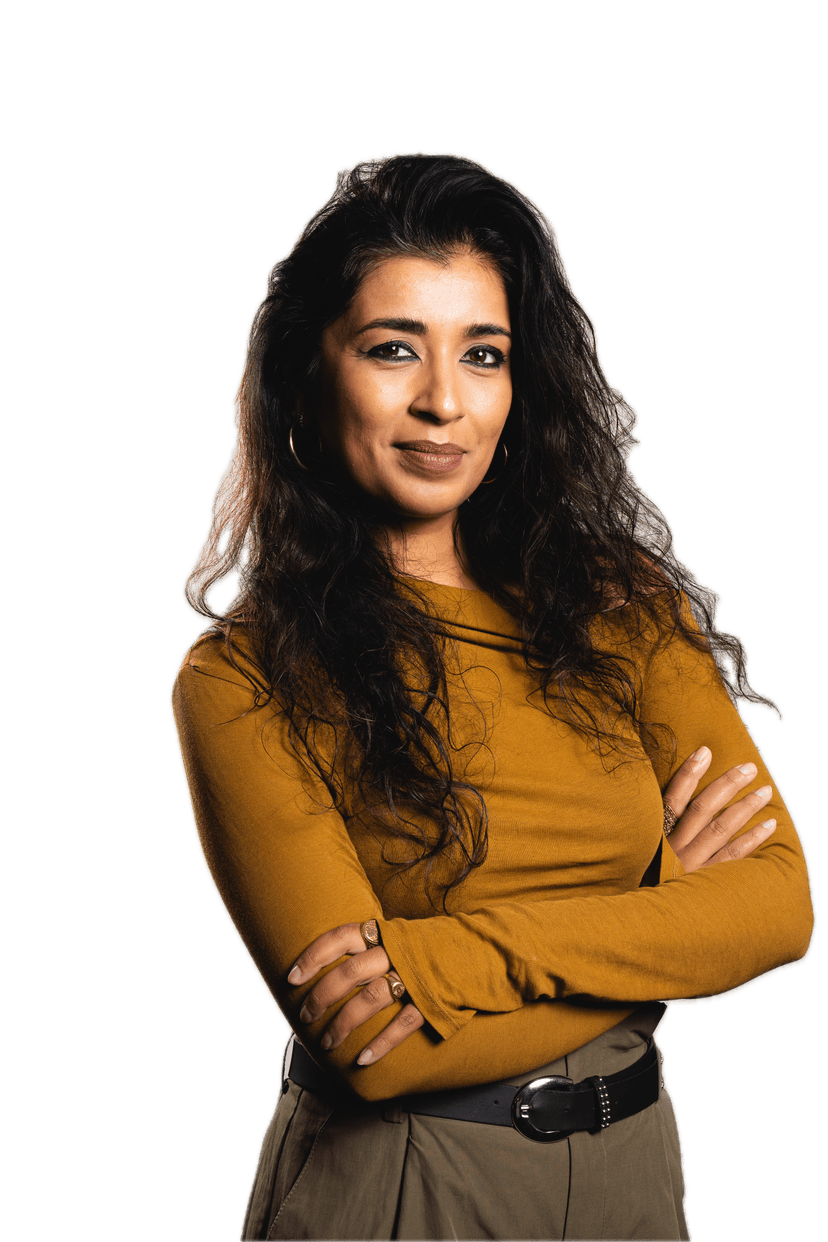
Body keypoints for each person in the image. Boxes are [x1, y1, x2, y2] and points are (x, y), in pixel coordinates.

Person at [170, 152, 813, 1242]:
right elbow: (373, 1048)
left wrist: (447, 958)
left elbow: (778, 906)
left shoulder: (623, 608)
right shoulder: (244, 677)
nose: (443, 401)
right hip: (403, 1183)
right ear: (309, 376)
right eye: (392, 349)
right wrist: (667, 915)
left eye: (484, 354)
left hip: (633, 1174)